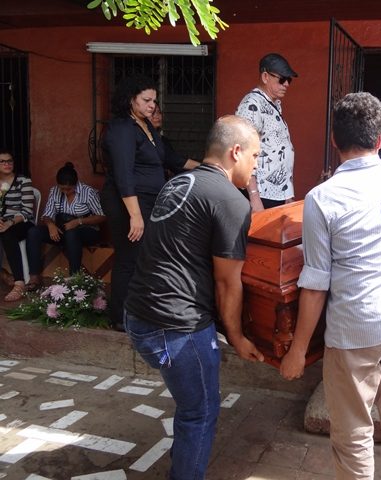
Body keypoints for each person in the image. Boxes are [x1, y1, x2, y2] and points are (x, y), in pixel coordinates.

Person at [280, 92, 381, 480]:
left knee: (354, 436)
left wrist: (297, 351)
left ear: (334, 140)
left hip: (357, 331)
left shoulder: (321, 199)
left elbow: (316, 283)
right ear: (380, 139)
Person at [124, 115, 264, 480]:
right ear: (236, 152)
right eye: (255, 156)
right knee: (200, 411)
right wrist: (237, 337)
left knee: (190, 404)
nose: (256, 166)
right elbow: (227, 283)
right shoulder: (230, 200)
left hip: (137, 315)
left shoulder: (178, 182)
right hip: (177, 327)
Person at [100, 75, 194, 331]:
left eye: (154, 100)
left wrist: (212, 167)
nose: (153, 105)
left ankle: (138, 311)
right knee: (130, 257)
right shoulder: (122, 128)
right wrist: (135, 215)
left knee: (144, 256)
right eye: (147, 100)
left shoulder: (146, 126)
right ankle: (121, 317)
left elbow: (172, 159)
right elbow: (124, 174)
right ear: (131, 99)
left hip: (147, 202)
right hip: (128, 203)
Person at [25, 162, 105, 289]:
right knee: (33, 232)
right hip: (63, 230)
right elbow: (47, 214)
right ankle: (34, 277)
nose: (65, 192)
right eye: (62, 188)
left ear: (76, 184)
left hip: (87, 231)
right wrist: (50, 225)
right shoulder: (55, 191)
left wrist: (78, 222)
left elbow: (101, 216)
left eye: (69, 189)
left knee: (72, 234)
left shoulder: (88, 192)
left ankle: (74, 279)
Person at [236, 53, 297, 211]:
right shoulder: (252, 105)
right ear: (265, 77)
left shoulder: (272, 103)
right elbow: (244, 152)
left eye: (289, 80)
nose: (286, 84)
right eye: (282, 79)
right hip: (261, 195)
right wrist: (254, 196)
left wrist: (287, 194)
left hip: (275, 194)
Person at [0, 148, 34, 302]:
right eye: (2, 161)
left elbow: (27, 210)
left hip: (21, 222)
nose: (7, 164)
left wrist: (10, 222)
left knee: (7, 234)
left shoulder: (23, 181)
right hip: (3, 222)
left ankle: (19, 283)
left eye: (9, 161)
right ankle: (3, 273)